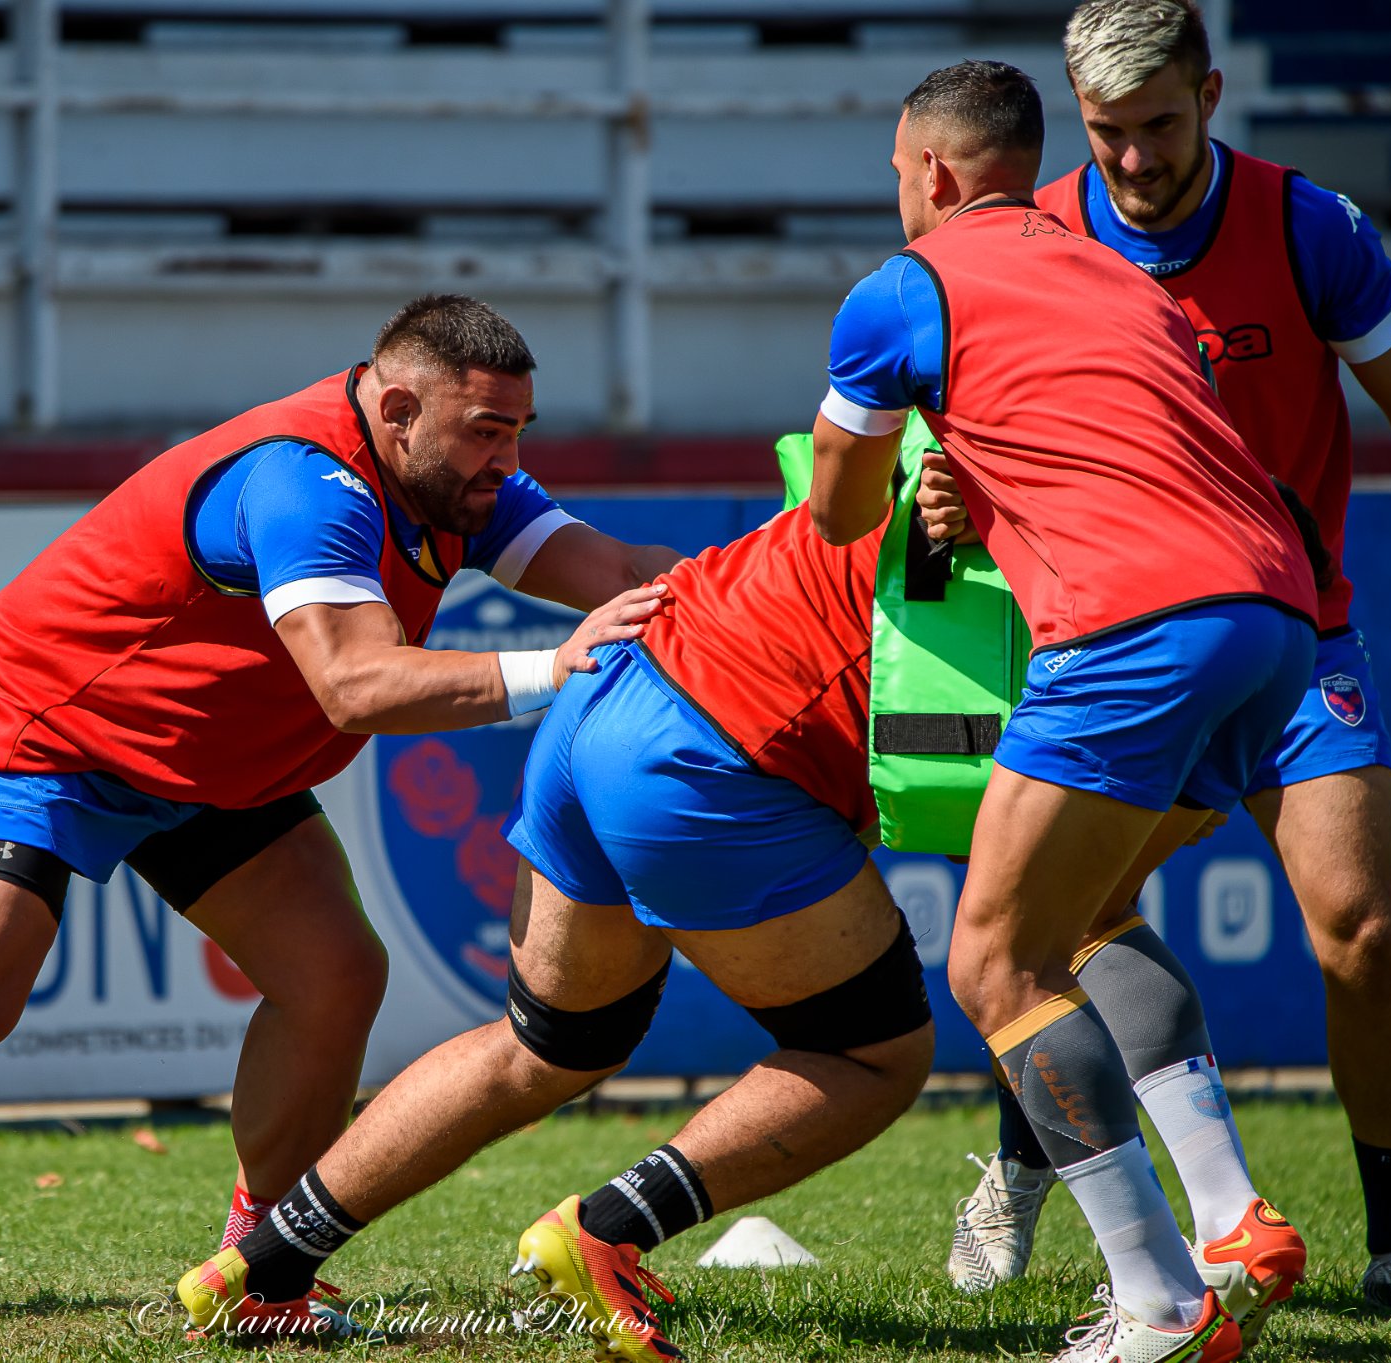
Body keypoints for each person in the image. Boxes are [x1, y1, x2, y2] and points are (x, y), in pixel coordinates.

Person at [0, 293, 684, 1319]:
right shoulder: (305, 481)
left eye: (519, 431)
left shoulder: (455, 478)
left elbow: (621, 569)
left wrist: (754, 583)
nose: (508, 459)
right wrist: (555, 668)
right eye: (488, 431)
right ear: (397, 410)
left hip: (205, 762)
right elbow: (355, 684)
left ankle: (262, 1271)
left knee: (336, 974)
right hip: (53, 730)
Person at [811, 59, 1316, 1363]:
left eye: (897, 171)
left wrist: (919, 459)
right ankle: (1231, 1217)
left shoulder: (901, 290)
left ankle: (1156, 1302)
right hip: (1276, 616)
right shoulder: (1122, 273)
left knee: (993, 960)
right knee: (1086, 915)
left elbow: (839, 511)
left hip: (1131, 625)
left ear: (929, 172)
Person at [174, 500, 934, 1361]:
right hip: (703, 751)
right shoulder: (1031, 499)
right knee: (873, 1054)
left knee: (546, 1045)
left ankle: (258, 1268)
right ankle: (604, 1230)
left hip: (614, 685)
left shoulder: (911, 447)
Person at [938, 1, 1391, 1316]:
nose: (1134, 159)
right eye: (1106, 133)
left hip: (1295, 635)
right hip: (1120, 641)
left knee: (1364, 929)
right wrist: (948, 490)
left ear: (1209, 95)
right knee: (1048, 925)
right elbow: (976, 427)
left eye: (1157, 125)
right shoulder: (1041, 240)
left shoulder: (1308, 228)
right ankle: (1043, 1153)